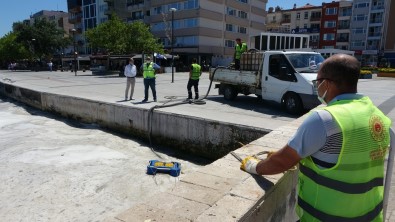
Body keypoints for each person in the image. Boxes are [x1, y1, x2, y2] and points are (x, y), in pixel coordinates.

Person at [240, 54, 393, 221]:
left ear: (326, 83)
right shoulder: (378, 117)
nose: (317, 86)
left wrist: (253, 166)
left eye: (317, 82)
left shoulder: (325, 119)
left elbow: (281, 162)